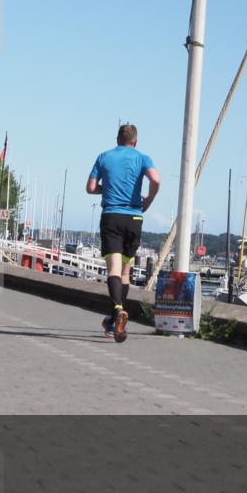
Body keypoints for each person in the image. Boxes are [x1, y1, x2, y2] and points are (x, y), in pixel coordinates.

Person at [86, 123, 160, 343]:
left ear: (117, 139)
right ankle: (112, 322)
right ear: (135, 142)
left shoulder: (104, 157)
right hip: (134, 218)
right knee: (125, 273)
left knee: (114, 271)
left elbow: (90, 188)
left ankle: (118, 310)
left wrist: (105, 188)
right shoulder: (143, 158)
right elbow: (156, 180)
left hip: (111, 217)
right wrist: (148, 199)